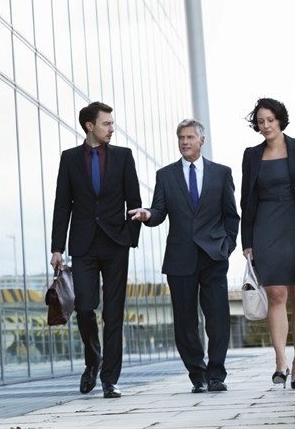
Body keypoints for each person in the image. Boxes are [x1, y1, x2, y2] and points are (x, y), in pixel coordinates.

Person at [130, 119, 239, 393]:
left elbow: (231, 215)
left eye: (190, 137)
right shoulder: (165, 175)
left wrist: (227, 246)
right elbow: (159, 211)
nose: (185, 142)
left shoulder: (221, 173)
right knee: (185, 321)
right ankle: (197, 375)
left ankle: (216, 375)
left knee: (217, 318)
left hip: (213, 255)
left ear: (201, 140)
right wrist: (147, 215)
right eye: (181, 137)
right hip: (180, 256)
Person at [50, 101, 141, 398]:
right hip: (84, 244)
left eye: (112, 124)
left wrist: (131, 237)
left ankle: (109, 379)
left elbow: (134, 201)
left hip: (116, 243)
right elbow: (62, 204)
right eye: (106, 124)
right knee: (85, 307)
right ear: (90, 126)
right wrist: (57, 247)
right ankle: (93, 361)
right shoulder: (70, 159)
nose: (111, 129)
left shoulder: (124, 157)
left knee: (113, 314)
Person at [241, 97, 295, 390]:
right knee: (275, 294)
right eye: (260, 122)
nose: (265, 126)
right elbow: (246, 200)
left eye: (270, 120)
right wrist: (246, 239)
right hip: (266, 227)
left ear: (280, 120)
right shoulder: (251, 155)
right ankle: (280, 361)